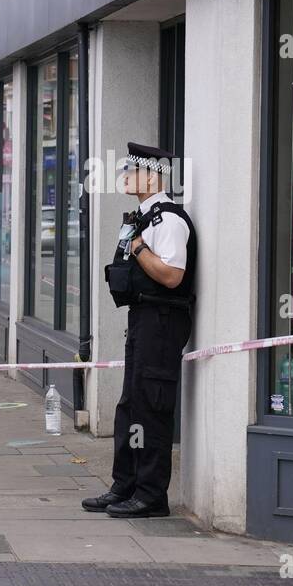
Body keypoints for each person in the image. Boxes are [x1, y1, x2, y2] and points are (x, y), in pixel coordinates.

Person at [84, 142, 196, 519]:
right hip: (143, 318)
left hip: (163, 321)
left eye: (131, 172)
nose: (125, 178)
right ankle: (125, 484)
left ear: (152, 176)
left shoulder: (170, 221)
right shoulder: (146, 217)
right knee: (130, 404)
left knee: (151, 407)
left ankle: (151, 495)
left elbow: (171, 275)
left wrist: (137, 250)